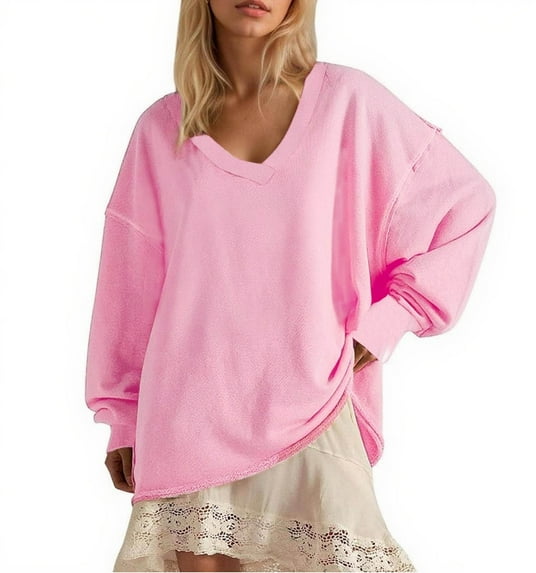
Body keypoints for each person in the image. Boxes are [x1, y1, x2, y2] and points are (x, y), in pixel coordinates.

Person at [84, 0, 496, 571]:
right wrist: (124, 419)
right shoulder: (161, 129)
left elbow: (465, 205)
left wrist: (387, 322)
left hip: (313, 401)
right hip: (189, 415)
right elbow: (129, 286)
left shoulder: (350, 104)